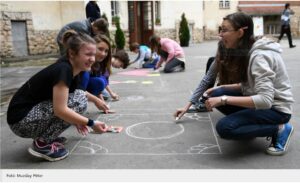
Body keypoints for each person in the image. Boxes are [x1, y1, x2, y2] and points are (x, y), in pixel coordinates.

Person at [7, 30, 110, 162]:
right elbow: (60, 110)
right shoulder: (63, 70)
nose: (93, 59)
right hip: (21, 122)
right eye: (88, 54)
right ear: (72, 53)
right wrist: (90, 123)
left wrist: (77, 119)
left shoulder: (74, 70)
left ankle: (47, 137)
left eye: (93, 55)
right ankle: (42, 144)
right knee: (79, 102)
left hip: (27, 116)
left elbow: (77, 95)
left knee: (79, 97)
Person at [205, 12, 294, 155]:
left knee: (225, 127)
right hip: (265, 103)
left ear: (240, 32)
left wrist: (223, 99)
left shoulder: (259, 57)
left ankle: (280, 129)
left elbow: (265, 100)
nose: (220, 35)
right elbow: (250, 86)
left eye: (225, 30)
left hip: (277, 110)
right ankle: (250, 124)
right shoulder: (248, 50)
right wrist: (222, 88)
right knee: (217, 92)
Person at [81, 35, 129, 101]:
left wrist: (103, 105)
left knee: (103, 88)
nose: (103, 54)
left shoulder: (101, 62)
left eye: (106, 51)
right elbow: (102, 81)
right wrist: (97, 101)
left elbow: (103, 81)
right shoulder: (85, 63)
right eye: (100, 49)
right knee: (101, 85)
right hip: (77, 89)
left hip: (86, 87)